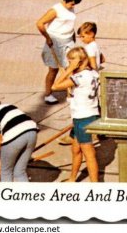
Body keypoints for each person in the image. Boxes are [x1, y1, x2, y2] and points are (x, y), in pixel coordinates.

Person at [51, 47, 100, 182]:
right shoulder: (93, 73)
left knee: (88, 153)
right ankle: (72, 178)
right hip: (88, 113)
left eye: (70, 60)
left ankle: (95, 185)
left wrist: (68, 70)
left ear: (78, 61)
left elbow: (55, 86)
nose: (68, 63)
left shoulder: (79, 77)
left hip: (83, 117)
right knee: (75, 148)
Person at [36, 0, 83, 104]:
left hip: (68, 41)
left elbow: (70, 23)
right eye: (72, 3)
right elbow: (40, 23)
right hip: (55, 42)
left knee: (72, 67)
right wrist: (47, 37)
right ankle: (48, 94)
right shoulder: (56, 10)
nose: (73, 6)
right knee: (53, 70)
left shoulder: (71, 8)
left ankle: (71, 93)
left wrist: (72, 37)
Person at [0, 91, 38, 182]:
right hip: (32, 132)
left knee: (5, 172)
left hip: (14, 135)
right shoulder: (7, 106)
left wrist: (0, 166)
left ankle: (8, 195)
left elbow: (0, 141)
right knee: (19, 172)